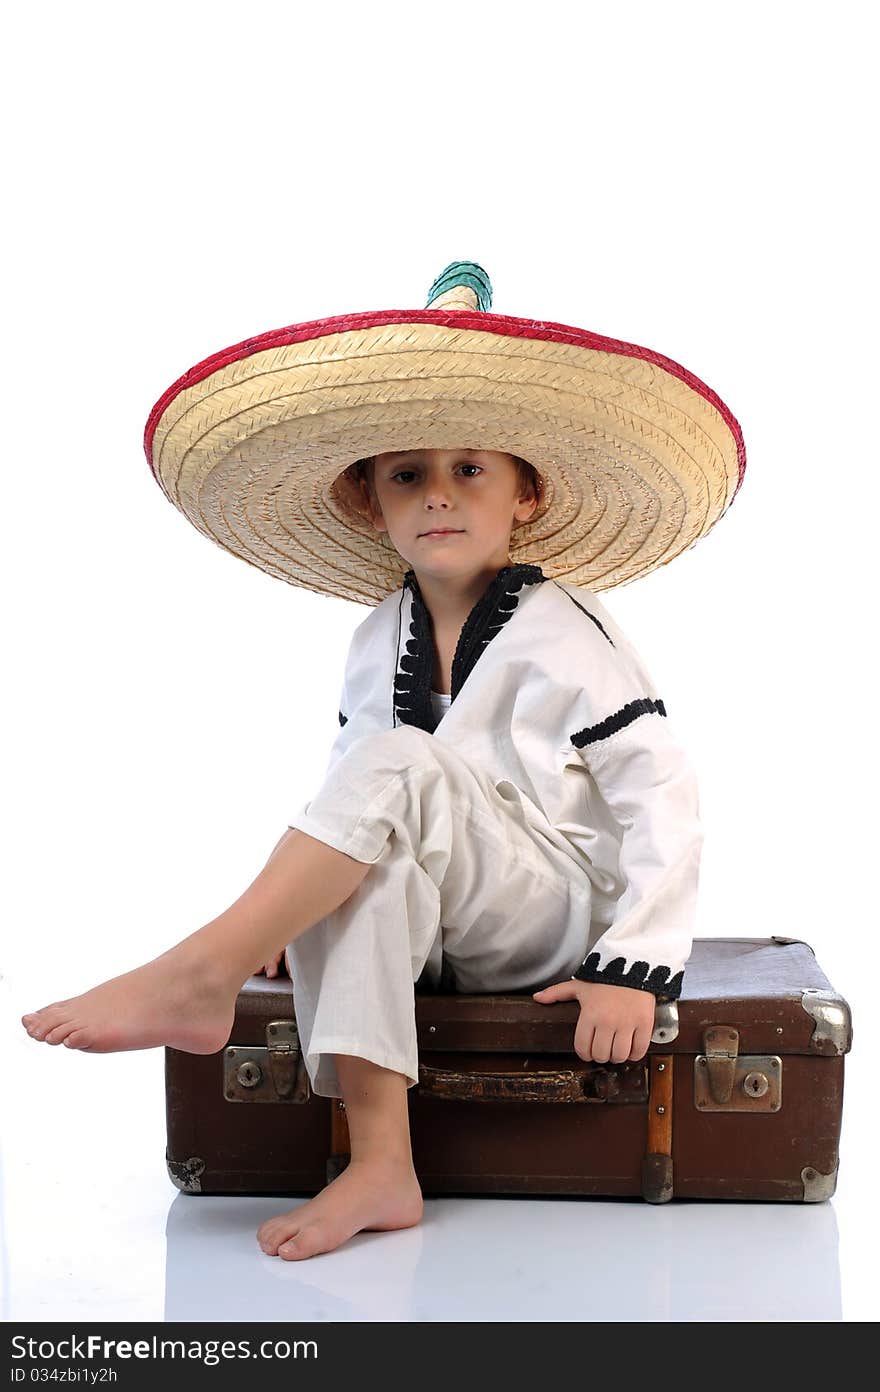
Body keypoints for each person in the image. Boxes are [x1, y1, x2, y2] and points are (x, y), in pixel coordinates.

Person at [21, 260, 746, 1262]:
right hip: (441, 913)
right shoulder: (375, 636)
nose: (437, 495)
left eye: (469, 470)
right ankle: (379, 1164)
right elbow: (351, 789)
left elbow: (660, 792)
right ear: (369, 502)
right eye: (407, 474)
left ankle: (201, 970)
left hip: (550, 919)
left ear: (525, 495)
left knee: (402, 761)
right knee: (374, 853)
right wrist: (295, 908)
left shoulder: (566, 631)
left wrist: (635, 968)